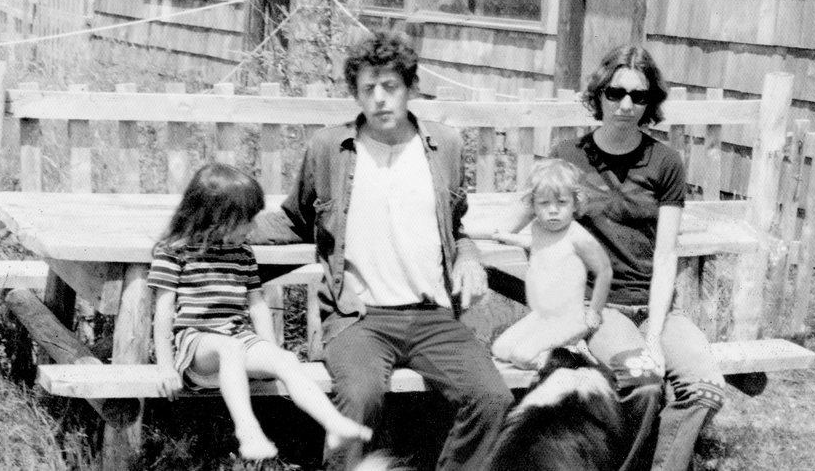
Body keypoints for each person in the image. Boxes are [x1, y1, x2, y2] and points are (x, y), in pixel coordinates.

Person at [250, 30, 513, 471]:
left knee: (491, 397)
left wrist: (468, 256)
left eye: (390, 86)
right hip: (359, 318)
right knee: (359, 397)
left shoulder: (444, 146)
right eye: (367, 88)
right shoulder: (329, 148)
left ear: (410, 88)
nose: (379, 99)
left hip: (432, 316)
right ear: (355, 94)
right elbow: (295, 220)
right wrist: (220, 227)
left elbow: (455, 227)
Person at [504, 45, 727, 471]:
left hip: (656, 306)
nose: (626, 105)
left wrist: (655, 336)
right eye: (615, 93)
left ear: (650, 102)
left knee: (706, 389)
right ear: (599, 94)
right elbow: (518, 217)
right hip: (601, 307)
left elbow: (666, 256)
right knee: (644, 383)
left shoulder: (665, 162)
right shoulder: (569, 156)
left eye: (638, 96)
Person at [148, 163, 372, 461]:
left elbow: (257, 305)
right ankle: (248, 432)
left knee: (285, 359)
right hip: (196, 346)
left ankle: (333, 423)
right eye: (247, 220)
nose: (253, 228)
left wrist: (269, 350)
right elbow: (163, 312)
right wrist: (165, 367)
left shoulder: (242, 253)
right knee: (229, 348)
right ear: (217, 218)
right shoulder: (174, 250)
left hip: (237, 340)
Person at [484, 158, 612, 369]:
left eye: (561, 203)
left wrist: (594, 311)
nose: (553, 210)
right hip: (543, 314)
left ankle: (573, 359)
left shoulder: (576, 234)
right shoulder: (538, 228)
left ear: (575, 203)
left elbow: (605, 270)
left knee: (522, 356)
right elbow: (542, 246)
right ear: (533, 205)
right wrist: (512, 239)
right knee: (500, 350)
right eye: (544, 203)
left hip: (572, 316)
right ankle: (558, 350)